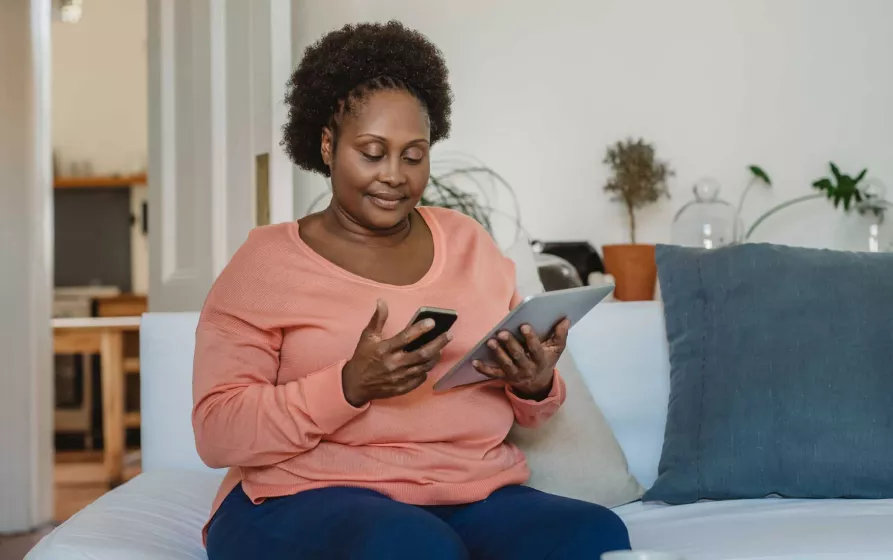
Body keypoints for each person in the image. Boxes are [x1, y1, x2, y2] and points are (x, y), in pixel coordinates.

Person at [193, 20, 631, 560]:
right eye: (372, 153)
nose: (395, 175)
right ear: (328, 145)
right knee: (414, 547)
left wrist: (535, 383)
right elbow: (217, 432)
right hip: (300, 495)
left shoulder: (468, 242)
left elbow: (529, 406)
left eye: (413, 154)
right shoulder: (266, 263)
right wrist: (350, 385)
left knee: (597, 535)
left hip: (467, 491)